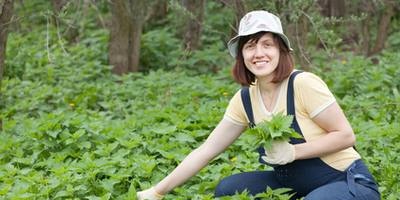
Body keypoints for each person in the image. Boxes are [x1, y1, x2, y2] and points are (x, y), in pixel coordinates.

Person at [137, 10, 380, 200]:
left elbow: (346, 135)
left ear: (281, 50)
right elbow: (206, 150)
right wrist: (158, 191)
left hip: (347, 182)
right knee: (227, 190)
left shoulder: (303, 84)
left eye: (267, 44)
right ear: (241, 54)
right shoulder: (245, 99)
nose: (258, 53)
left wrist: (295, 152)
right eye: (250, 46)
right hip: (294, 185)